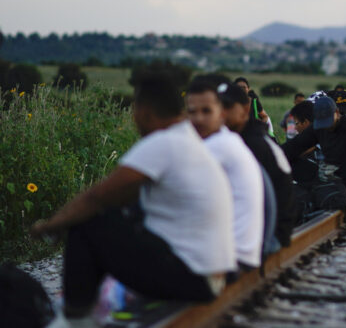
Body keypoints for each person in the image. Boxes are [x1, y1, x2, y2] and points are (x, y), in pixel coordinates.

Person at [31, 73, 235, 324]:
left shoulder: (164, 142)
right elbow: (121, 197)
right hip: (210, 277)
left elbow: (97, 196)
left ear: (144, 111)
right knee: (111, 218)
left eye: (135, 110)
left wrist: (49, 226)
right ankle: (90, 308)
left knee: (88, 225)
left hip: (192, 277)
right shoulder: (187, 139)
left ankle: (74, 318)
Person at [186, 79, 263, 271]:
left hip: (228, 258)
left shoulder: (216, 146)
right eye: (192, 112)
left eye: (206, 111)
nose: (198, 119)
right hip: (241, 253)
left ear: (220, 114)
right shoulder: (230, 140)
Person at [219, 82, 295, 252]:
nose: (221, 113)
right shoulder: (249, 137)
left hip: (270, 234)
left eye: (228, 106)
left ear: (245, 109)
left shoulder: (252, 144)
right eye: (218, 106)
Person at [281, 96, 346, 214]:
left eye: (328, 122)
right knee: (286, 160)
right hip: (328, 178)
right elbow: (294, 147)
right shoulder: (319, 127)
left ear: (336, 112)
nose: (326, 127)